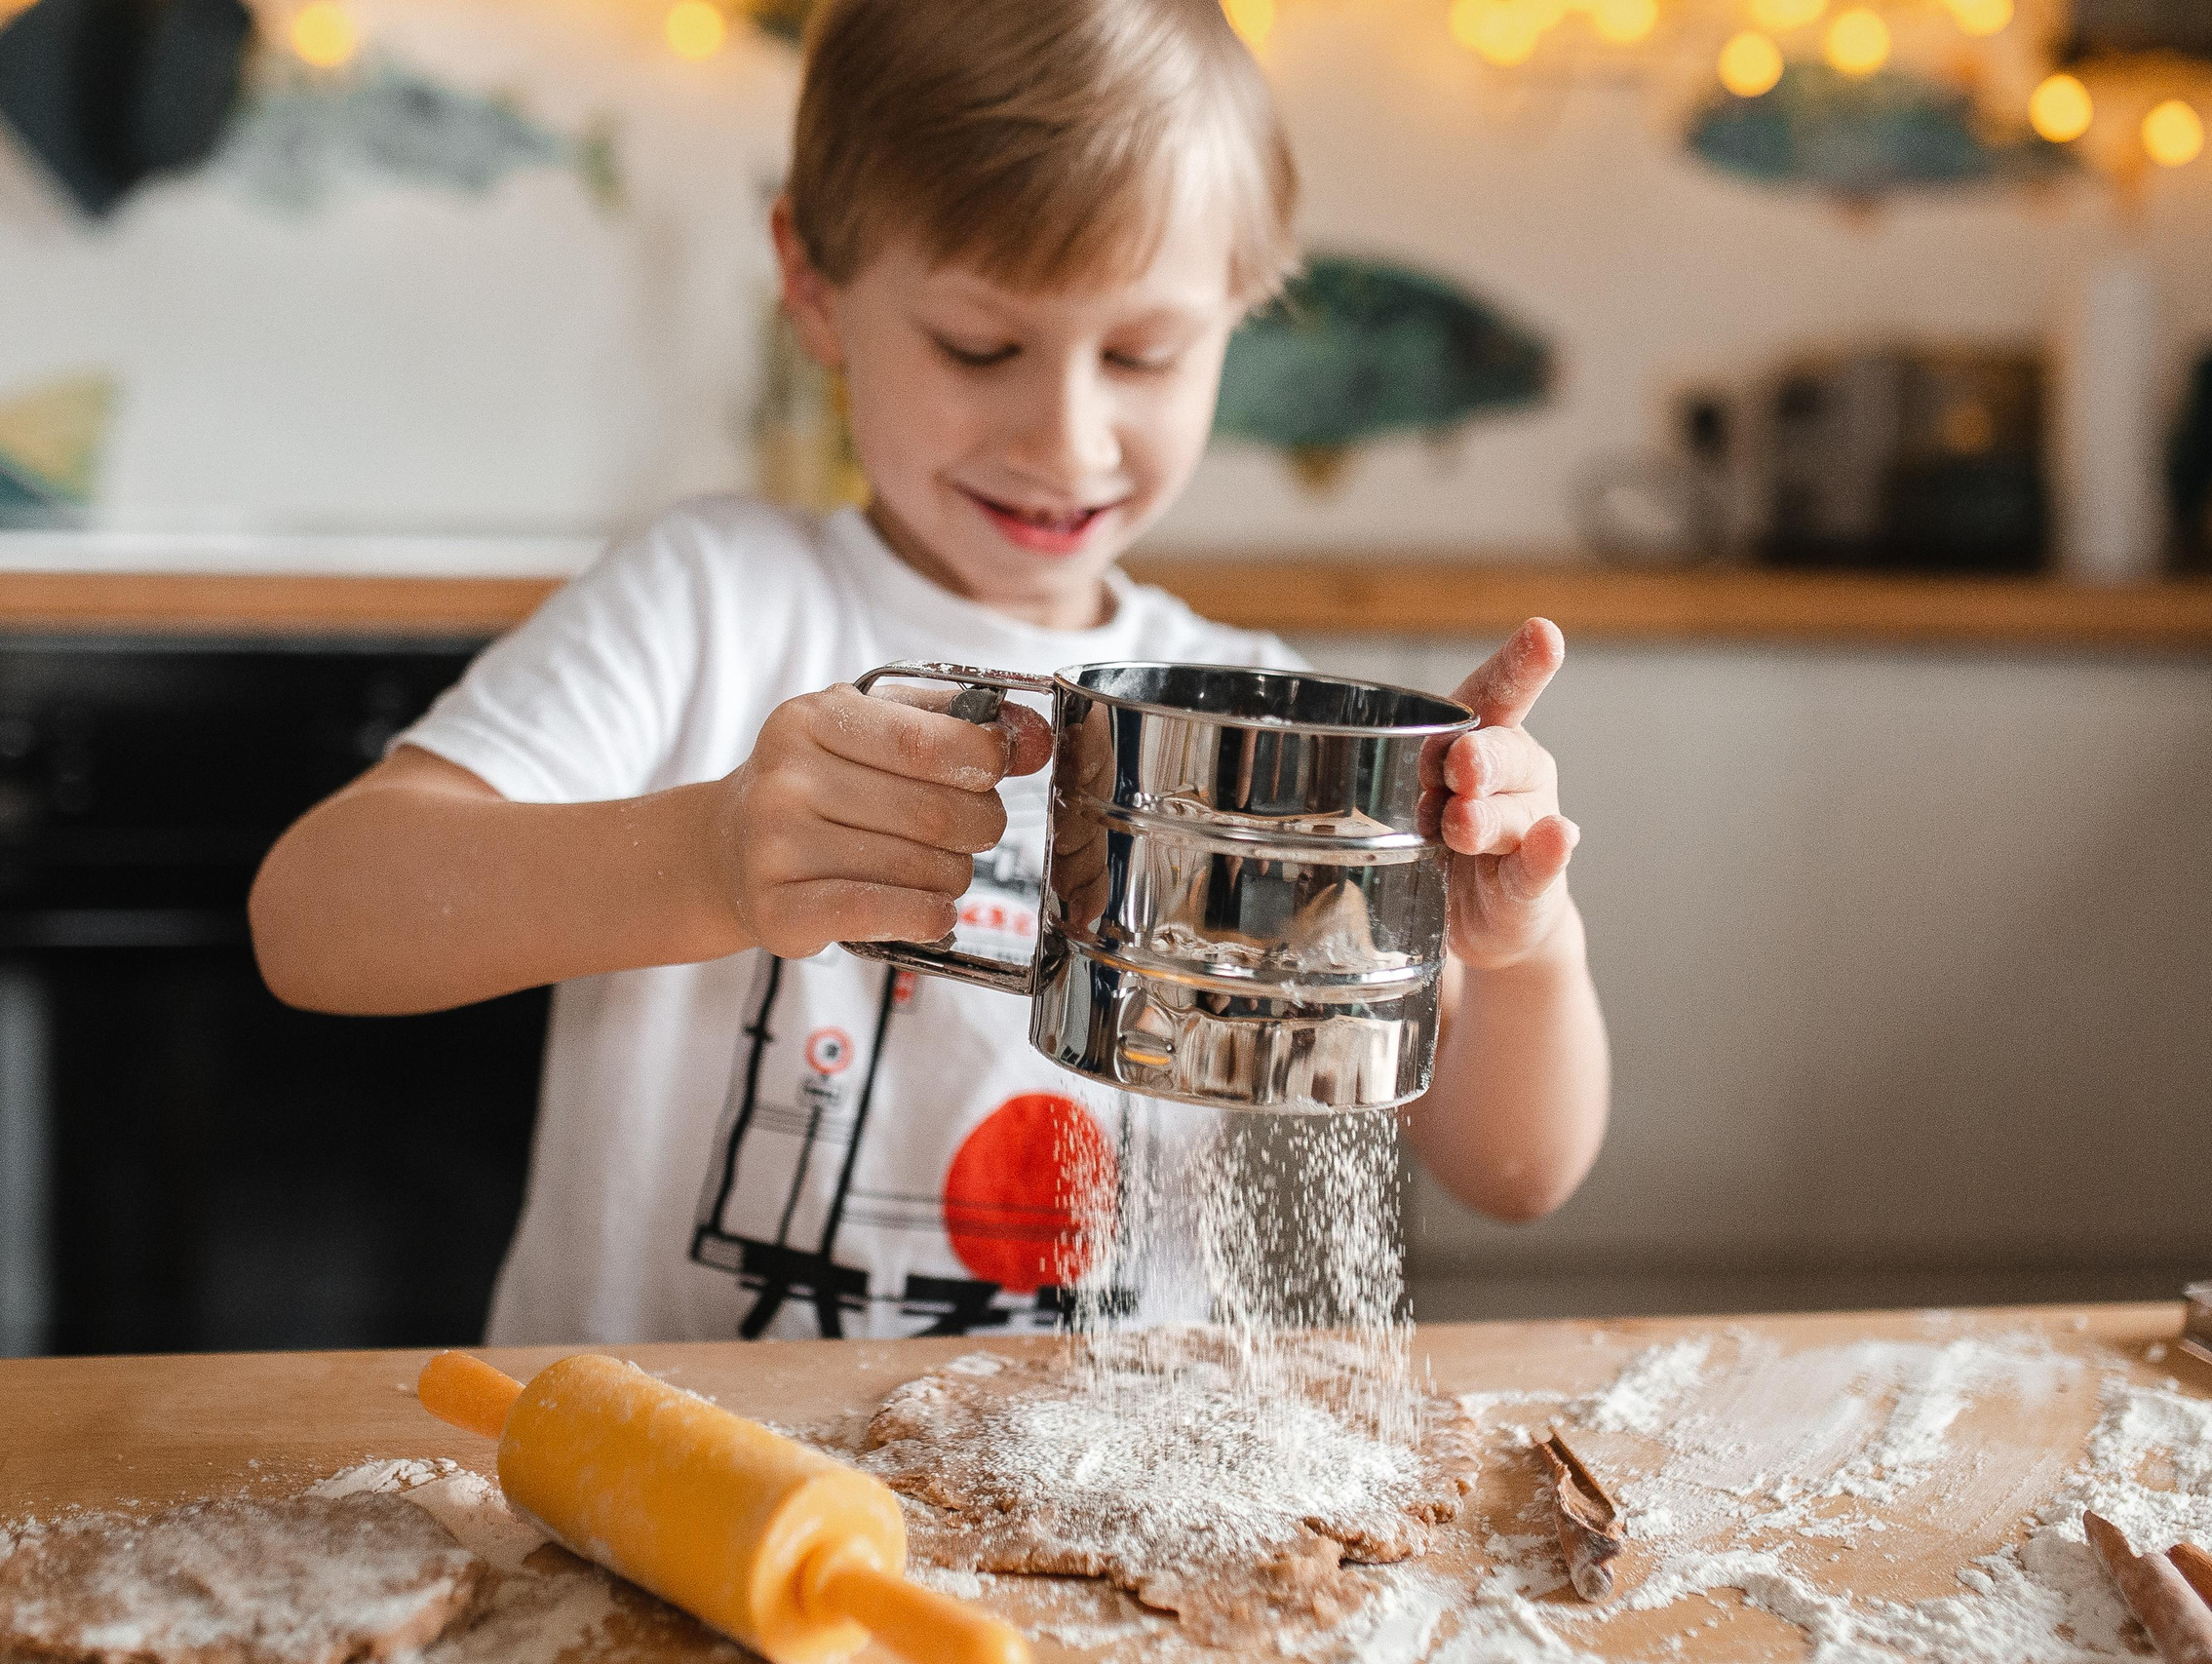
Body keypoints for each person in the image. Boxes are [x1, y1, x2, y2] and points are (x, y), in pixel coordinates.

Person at [249, 0, 1609, 1345]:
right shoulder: (707, 603)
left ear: (1238, 316)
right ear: (813, 284)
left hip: (1085, 1472)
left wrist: (1519, 951)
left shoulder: (1257, 725)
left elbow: (1517, 1172)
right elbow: (312, 920)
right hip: (664, 1457)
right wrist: (705, 859)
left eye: (1142, 354)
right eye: (979, 346)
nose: (1066, 440)